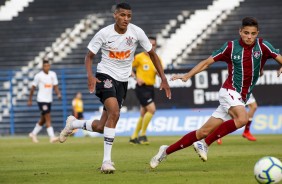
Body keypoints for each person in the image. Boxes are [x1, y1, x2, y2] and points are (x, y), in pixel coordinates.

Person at [149, 17, 282, 169]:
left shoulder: (263, 46)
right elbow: (206, 63)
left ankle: (165, 151)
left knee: (202, 131)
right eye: (246, 33)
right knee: (243, 118)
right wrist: (186, 76)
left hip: (241, 97)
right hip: (229, 91)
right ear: (240, 32)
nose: (249, 37)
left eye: (253, 33)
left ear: (257, 33)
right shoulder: (230, 47)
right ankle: (205, 144)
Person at [59, 3, 171, 174]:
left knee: (101, 127)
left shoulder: (136, 32)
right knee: (115, 113)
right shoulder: (104, 33)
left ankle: (73, 123)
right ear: (115, 15)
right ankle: (106, 162)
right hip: (105, 76)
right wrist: (90, 76)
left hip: (123, 81)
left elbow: (153, 55)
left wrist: (163, 78)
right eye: (123, 15)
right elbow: (89, 57)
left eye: (129, 16)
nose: (126, 19)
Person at [129, 36, 161, 145]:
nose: (152, 46)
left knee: (143, 113)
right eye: (150, 44)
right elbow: (127, 66)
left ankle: (133, 137)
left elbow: (161, 71)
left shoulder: (156, 58)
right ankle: (142, 135)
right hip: (141, 88)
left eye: (154, 45)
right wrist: (136, 77)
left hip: (150, 88)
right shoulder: (139, 57)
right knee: (152, 110)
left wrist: (159, 72)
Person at [28, 59, 61, 143]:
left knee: (43, 119)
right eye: (45, 66)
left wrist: (58, 94)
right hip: (41, 100)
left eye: (48, 66)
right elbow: (33, 88)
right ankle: (52, 137)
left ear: (49, 66)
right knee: (48, 117)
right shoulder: (38, 76)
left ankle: (33, 134)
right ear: (42, 67)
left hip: (49, 100)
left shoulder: (53, 74)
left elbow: (55, 86)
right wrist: (30, 99)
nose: (46, 67)